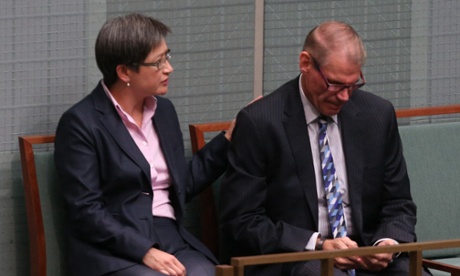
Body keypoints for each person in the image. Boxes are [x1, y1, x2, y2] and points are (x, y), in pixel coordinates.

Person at [220, 21, 430, 275]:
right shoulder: (261, 122)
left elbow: (399, 202)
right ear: (305, 63)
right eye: (335, 84)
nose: (344, 96)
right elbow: (242, 221)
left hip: (364, 253)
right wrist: (318, 244)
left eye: (353, 85)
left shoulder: (377, 115)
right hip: (296, 260)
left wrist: (387, 244)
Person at [54, 13, 234, 276]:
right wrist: (144, 250)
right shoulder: (81, 123)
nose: (168, 68)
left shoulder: (164, 111)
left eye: (167, 57)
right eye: (158, 62)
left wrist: (229, 141)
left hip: (169, 236)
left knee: (205, 273)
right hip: (112, 249)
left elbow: (181, 184)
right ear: (125, 71)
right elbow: (86, 210)